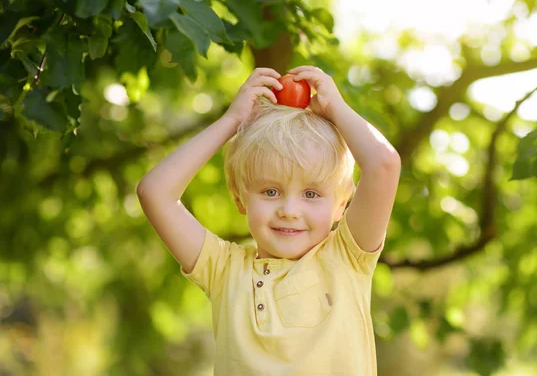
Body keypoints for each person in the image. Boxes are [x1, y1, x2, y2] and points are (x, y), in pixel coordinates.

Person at [137, 66, 401, 375]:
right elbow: (155, 192)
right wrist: (230, 122)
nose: (289, 210)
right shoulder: (223, 270)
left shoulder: (346, 258)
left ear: (340, 205)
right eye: (271, 191)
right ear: (240, 199)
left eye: (312, 194)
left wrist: (337, 109)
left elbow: (383, 164)